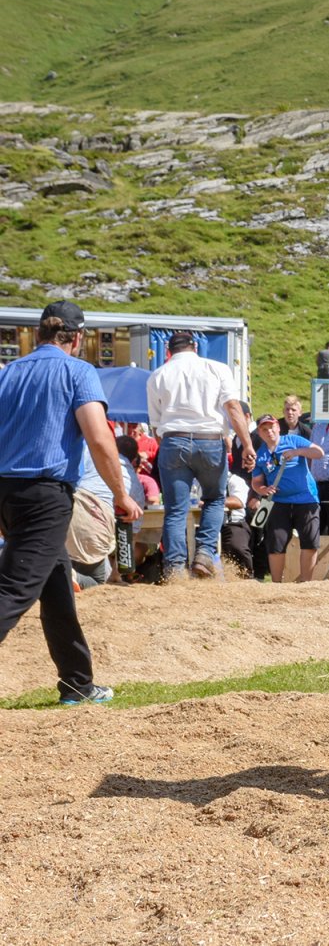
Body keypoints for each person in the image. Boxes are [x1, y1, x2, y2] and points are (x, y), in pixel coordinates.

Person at [0, 301, 143, 705]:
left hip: (7, 492)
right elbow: (100, 440)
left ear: (40, 334)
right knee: (13, 590)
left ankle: (78, 683)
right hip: (45, 495)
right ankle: (78, 684)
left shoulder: (8, 373)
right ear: (77, 338)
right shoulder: (78, 371)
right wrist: (120, 495)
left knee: (57, 588)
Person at [146, 331, 255, 579]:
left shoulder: (157, 375)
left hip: (174, 439)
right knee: (215, 499)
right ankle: (204, 555)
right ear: (195, 347)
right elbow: (233, 408)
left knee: (175, 509)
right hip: (210, 441)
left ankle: (174, 568)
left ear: (168, 351)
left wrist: (170, 447)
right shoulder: (217, 368)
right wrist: (246, 444)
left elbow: (155, 427)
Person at [251, 414, 326, 584]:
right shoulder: (260, 454)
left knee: (309, 541)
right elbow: (256, 482)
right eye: (264, 429)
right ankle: (277, 584)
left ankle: (305, 583)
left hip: (306, 499)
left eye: (272, 427)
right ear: (260, 433)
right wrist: (264, 490)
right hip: (278, 502)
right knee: (276, 543)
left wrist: (297, 452)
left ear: (278, 427)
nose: (269, 431)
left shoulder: (293, 439)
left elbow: (319, 452)